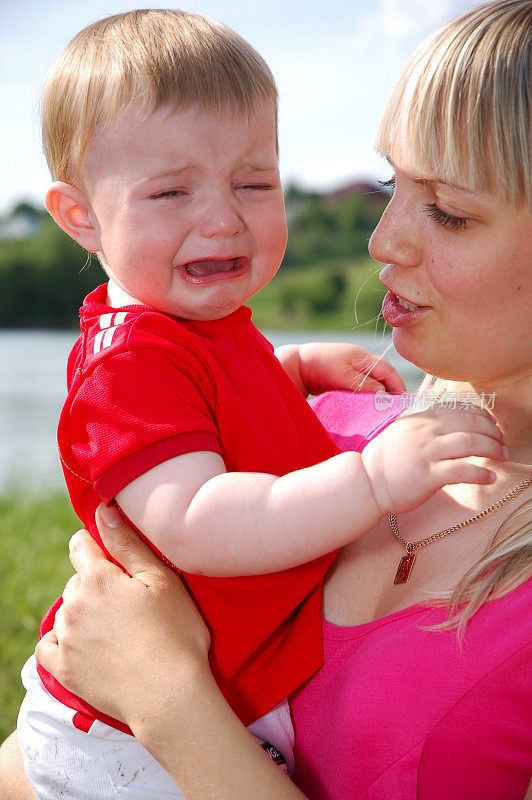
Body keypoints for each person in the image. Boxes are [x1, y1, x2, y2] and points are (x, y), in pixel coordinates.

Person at [2, 0, 530, 797]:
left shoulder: (230, 354)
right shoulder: (348, 430)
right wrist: (369, 477)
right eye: (392, 184)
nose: (380, 239)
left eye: (450, 211)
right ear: (80, 216)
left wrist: (167, 698)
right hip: (100, 750)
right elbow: (198, 512)